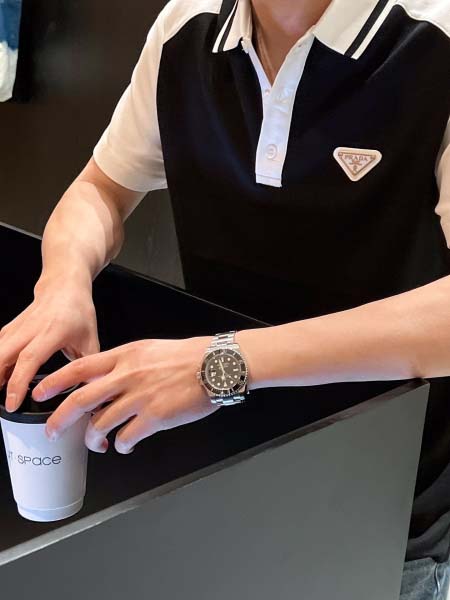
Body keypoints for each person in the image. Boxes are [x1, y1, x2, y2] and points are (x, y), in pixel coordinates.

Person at [0, 0, 449, 597]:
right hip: (218, 476)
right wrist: (62, 283)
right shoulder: (186, 26)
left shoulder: (433, 38)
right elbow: (102, 188)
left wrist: (221, 365)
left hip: (381, 500)